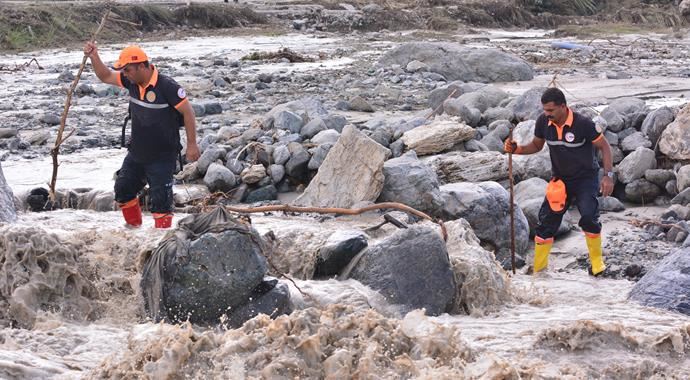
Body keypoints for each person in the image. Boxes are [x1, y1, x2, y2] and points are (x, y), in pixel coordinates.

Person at [83, 42, 200, 228]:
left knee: (161, 204)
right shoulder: (131, 81)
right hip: (137, 154)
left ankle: (160, 245)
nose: (125, 74)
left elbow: (188, 112)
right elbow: (105, 75)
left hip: (163, 157)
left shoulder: (167, 86)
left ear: (142, 66)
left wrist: (192, 145)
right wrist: (94, 57)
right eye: (123, 70)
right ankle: (134, 232)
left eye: (128, 69)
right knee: (122, 190)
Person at [504, 88, 614, 276]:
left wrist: (608, 176)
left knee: (589, 218)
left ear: (563, 107)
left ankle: (597, 265)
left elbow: (605, 147)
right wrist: (517, 150)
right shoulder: (543, 122)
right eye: (545, 110)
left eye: (550, 111)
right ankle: (539, 271)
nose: (547, 114)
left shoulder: (583, 124)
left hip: (585, 179)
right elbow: (537, 145)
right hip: (560, 181)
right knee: (546, 223)